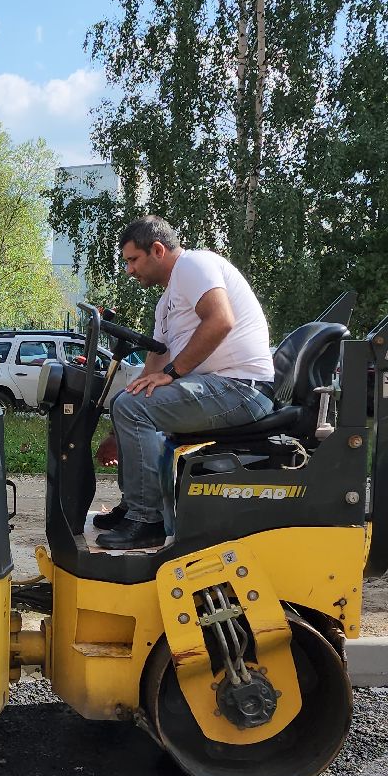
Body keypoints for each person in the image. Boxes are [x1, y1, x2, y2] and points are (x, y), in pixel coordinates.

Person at [92, 216, 276, 551]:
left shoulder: (194, 265)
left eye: (133, 260)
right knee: (127, 403)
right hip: (218, 387)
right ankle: (133, 508)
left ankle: (147, 521)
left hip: (242, 388)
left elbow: (221, 320)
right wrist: (116, 432)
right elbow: (155, 360)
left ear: (157, 250)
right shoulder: (167, 301)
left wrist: (174, 373)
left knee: (132, 408)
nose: (129, 270)